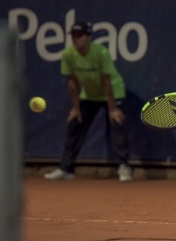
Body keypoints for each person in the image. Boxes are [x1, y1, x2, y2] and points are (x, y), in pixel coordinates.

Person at [44, 22, 133, 182]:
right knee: (74, 123)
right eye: (73, 36)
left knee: (117, 124)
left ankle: (124, 167)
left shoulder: (101, 53)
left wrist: (112, 109)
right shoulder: (68, 54)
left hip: (112, 91)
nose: (76, 39)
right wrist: (76, 108)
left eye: (80, 36)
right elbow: (72, 82)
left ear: (89, 37)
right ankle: (66, 169)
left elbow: (107, 82)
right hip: (90, 94)